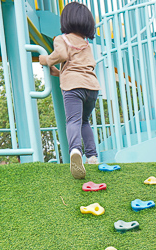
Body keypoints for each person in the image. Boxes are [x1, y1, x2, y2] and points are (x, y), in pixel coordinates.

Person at [39, 2, 100, 179]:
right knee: (84, 121)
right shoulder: (86, 44)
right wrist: (59, 73)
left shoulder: (61, 39)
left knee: (72, 120)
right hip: (91, 87)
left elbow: (63, 56)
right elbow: (80, 67)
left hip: (73, 86)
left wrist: (46, 60)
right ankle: (92, 156)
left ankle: (75, 151)